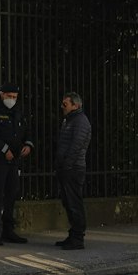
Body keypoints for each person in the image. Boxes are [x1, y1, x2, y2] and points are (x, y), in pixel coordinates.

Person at [0, 84, 34, 244]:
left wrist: (28, 144)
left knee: (12, 193)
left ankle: (8, 230)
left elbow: (25, 129)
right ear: (2, 94)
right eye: (9, 96)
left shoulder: (17, 111)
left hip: (14, 159)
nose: (12, 99)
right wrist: (4, 149)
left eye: (14, 96)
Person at [55, 92, 92, 250]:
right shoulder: (70, 120)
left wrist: (67, 165)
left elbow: (76, 146)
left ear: (75, 105)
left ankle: (77, 237)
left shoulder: (80, 121)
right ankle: (74, 235)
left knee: (74, 203)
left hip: (73, 168)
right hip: (68, 167)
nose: (62, 107)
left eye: (65, 104)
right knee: (69, 202)